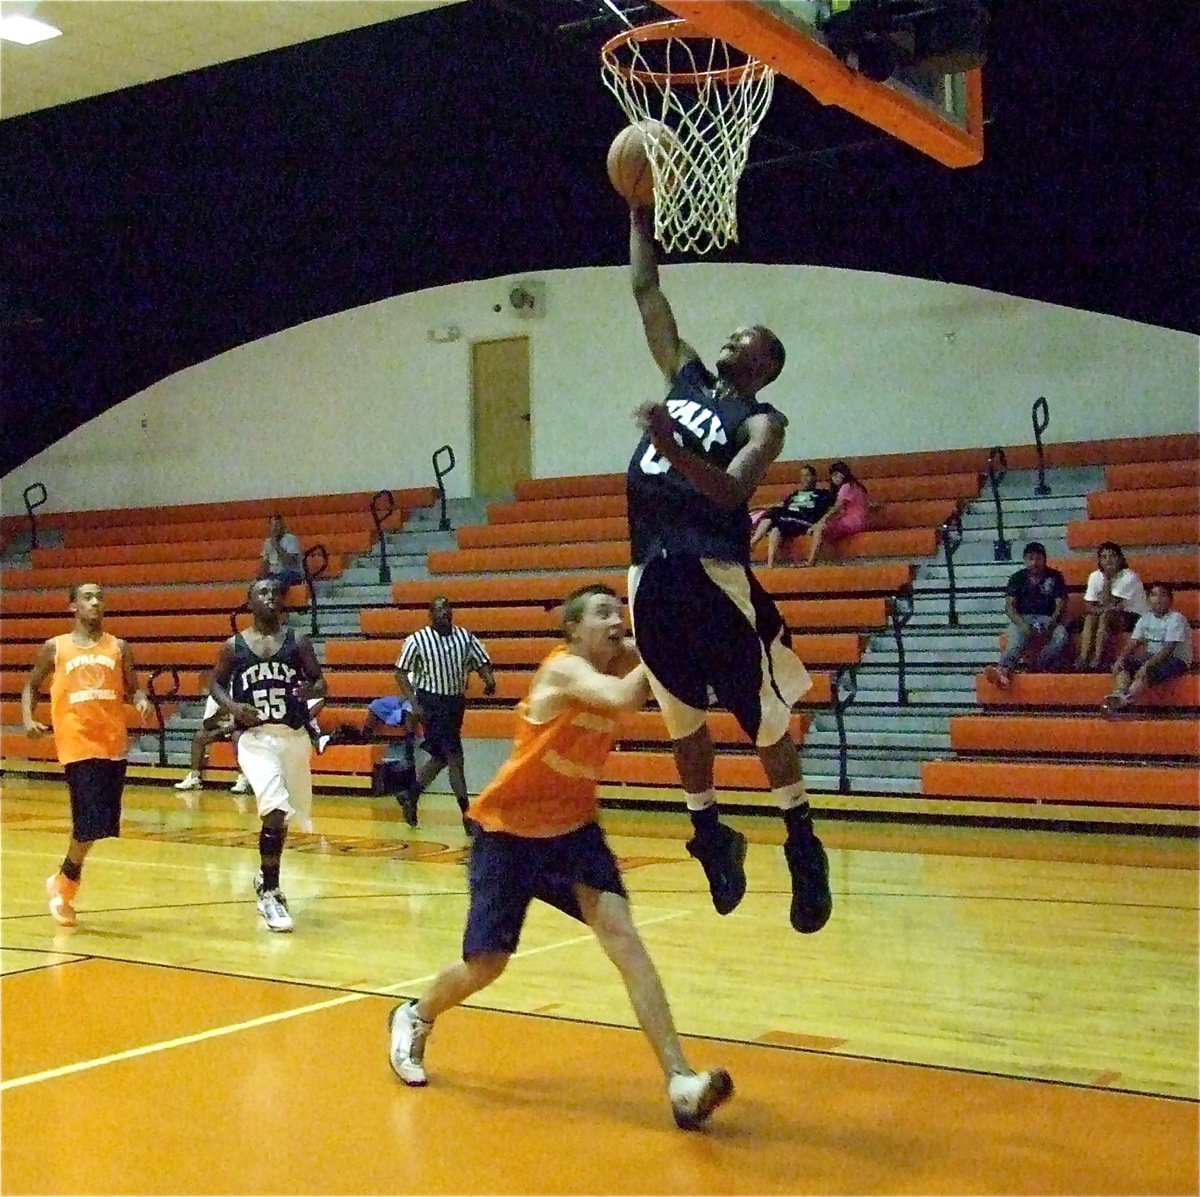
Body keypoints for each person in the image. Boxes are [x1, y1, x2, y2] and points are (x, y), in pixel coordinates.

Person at [386, 584, 733, 1131]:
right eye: (602, 613)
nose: (615, 617)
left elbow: (669, 676)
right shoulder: (564, 670)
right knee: (486, 965)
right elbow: (622, 698)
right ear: (573, 631)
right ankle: (415, 1014)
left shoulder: (622, 664)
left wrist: (693, 634)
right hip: (509, 832)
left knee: (622, 934)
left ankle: (680, 1081)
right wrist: (667, 643)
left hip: (573, 830)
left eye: (619, 610)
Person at [624, 202, 831, 935]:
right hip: (650, 571)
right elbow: (648, 292)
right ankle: (712, 834)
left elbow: (738, 488)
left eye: (741, 336)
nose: (727, 336)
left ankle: (803, 843)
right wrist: (640, 208)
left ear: (761, 361)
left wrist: (670, 446)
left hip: (715, 573)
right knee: (682, 720)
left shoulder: (763, 419)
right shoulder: (682, 378)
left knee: (763, 718)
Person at [20, 582, 154, 927]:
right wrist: (28, 718)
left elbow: (133, 686)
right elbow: (31, 686)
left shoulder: (119, 647)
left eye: (100, 597)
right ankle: (65, 889)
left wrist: (139, 699)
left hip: (112, 743)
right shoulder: (56, 647)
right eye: (88, 597)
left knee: (101, 826)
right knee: (87, 821)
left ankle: (63, 875)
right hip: (77, 743)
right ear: (73, 607)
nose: (95, 603)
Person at [209, 577, 327, 932]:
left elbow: (322, 683)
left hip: (292, 735)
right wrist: (232, 706)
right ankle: (271, 894)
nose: (270, 598)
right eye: (263, 593)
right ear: (250, 602)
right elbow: (214, 683)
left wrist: (312, 688)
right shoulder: (234, 646)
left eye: (275, 593)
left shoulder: (297, 642)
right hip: (255, 738)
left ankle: (265, 875)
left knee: (285, 814)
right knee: (274, 809)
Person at [394, 597, 496, 831]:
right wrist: (414, 704)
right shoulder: (417, 640)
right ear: (430, 616)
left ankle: (411, 794)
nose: (444, 614)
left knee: (441, 758)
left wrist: (488, 678)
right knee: (455, 758)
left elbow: (480, 659)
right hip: (431, 702)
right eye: (438, 611)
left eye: (446, 609)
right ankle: (468, 815)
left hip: (455, 702)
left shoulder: (465, 637)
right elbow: (400, 673)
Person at [983, 541, 1070, 687]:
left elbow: (1060, 604)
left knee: (1061, 636)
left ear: (1045, 559)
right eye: (1031, 558)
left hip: (1048, 618)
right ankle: (1003, 670)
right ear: (1025, 560)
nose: (1034, 563)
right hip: (1023, 618)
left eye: (1038, 559)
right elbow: (1010, 606)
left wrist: (1052, 622)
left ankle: (1038, 664)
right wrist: (1021, 624)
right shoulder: (1017, 578)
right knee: (1016, 640)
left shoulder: (1055, 577)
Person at [1102, 583, 1192, 714]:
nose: (1159, 599)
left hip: (1176, 659)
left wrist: (1147, 665)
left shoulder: (1176, 619)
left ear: (1171, 600)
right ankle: (1119, 693)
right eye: (1154, 595)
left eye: (1163, 595)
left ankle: (1126, 700)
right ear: (1149, 599)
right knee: (1125, 664)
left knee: (1149, 671)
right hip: (1151, 655)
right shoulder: (1145, 618)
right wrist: (1120, 659)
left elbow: (1169, 649)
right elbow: (1133, 642)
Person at [1075, 541, 1149, 670]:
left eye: (1112, 556)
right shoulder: (1094, 576)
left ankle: (1098, 659)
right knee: (1090, 618)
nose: (1108, 561)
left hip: (1133, 616)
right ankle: (1083, 657)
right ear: (1099, 561)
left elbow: (1112, 603)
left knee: (1104, 616)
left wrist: (1107, 581)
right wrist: (1103, 609)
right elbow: (1088, 606)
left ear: (1120, 559)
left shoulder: (1129, 577)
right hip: (1108, 613)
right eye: (1104, 557)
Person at [748, 464, 835, 567]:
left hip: (804, 519)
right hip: (788, 519)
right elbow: (781, 504)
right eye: (802, 476)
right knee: (775, 528)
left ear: (814, 477)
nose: (804, 479)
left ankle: (753, 543)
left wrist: (819, 523)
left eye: (807, 475)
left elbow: (834, 508)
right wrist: (757, 507)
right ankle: (770, 564)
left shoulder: (822, 494)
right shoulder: (796, 494)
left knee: (775, 513)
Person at [174, 691, 250, 804]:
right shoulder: (213, 698)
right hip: (220, 730)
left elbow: (244, 722)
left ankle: (243, 777)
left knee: (237, 736)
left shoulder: (240, 693)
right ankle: (194, 776)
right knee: (199, 736)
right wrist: (218, 715)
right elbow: (207, 724)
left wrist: (228, 728)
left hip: (237, 729)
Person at [802, 460, 870, 567]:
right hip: (859, 521)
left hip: (853, 521)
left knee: (820, 528)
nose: (834, 478)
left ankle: (811, 561)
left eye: (837, 474)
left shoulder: (846, 487)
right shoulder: (857, 486)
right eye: (833, 475)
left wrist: (820, 522)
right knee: (824, 528)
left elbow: (836, 508)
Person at [258, 515, 304, 595]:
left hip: (291, 574)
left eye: (277, 525)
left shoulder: (291, 539)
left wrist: (277, 546)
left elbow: (289, 562)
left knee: (277, 583)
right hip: (273, 575)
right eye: (273, 525)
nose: (275, 528)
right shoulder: (268, 542)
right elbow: (265, 565)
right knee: (257, 586)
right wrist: (259, 579)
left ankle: (275, 602)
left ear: (283, 526)